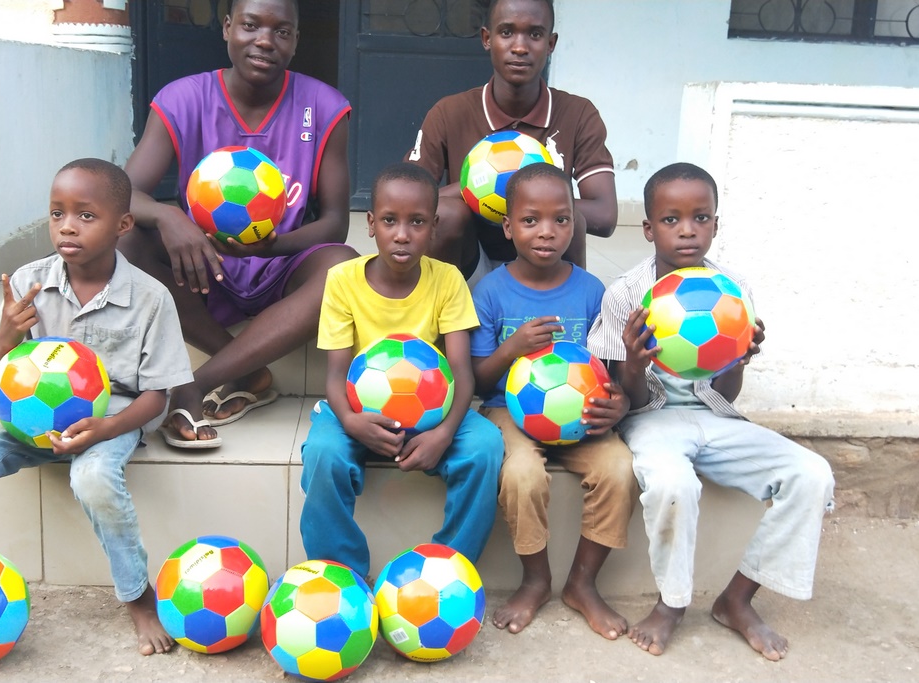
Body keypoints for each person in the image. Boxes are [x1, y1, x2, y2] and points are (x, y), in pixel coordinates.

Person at [0, 159, 194, 675]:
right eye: (57, 213)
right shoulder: (29, 283)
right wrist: (7, 335)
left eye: (85, 215)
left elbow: (156, 397)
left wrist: (107, 428)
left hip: (112, 417)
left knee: (94, 479)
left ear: (122, 225)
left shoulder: (149, 297)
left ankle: (139, 597)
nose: (67, 227)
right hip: (28, 418)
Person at [585, 162, 835, 661]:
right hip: (651, 420)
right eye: (671, 219)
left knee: (812, 475)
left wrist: (739, 359)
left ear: (715, 225)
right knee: (674, 486)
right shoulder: (626, 296)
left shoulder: (732, 292)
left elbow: (727, 395)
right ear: (649, 228)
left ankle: (737, 600)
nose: (687, 230)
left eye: (700, 218)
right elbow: (627, 399)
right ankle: (672, 604)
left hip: (713, 417)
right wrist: (633, 362)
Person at [120, 0, 357, 449]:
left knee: (344, 268)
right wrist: (170, 216)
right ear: (228, 28)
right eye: (250, 25)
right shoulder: (183, 99)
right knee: (126, 239)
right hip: (201, 268)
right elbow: (124, 194)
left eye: (281, 31)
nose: (265, 41)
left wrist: (272, 246)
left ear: (295, 41)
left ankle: (197, 383)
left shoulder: (325, 106)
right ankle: (248, 369)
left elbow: (334, 224)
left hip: (280, 265)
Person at [298, 162, 503, 579]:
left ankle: (448, 571)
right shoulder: (342, 280)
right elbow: (335, 375)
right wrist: (351, 422)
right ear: (371, 223)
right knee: (323, 453)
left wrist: (444, 433)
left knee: (485, 447)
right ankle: (341, 574)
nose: (403, 234)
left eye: (417, 222)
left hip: (433, 412)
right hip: (359, 411)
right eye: (390, 220)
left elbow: (462, 373)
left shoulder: (448, 280)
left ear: (435, 227)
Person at [469, 163, 636, 639]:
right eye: (531, 220)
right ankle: (536, 579)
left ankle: (583, 583)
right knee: (521, 474)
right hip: (508, 411)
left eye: (561, 220)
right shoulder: (490, 292)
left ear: (573, 224)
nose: (547, 231)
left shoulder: (591, 291)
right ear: (508, 227)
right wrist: (512, 348)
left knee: (619, 468)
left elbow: (612, 370)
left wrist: (618, 403)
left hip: (582, 417)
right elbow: (478, 380)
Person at [406, 0, 617, 281]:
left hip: (544, 265)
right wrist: (476, 187)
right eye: (506, 32)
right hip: (470, 264)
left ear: (551, 44)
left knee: (572, 220)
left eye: (535, 34)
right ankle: (440, 305)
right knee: (446, 214)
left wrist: (536, 198)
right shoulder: (450, 112)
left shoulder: (578, 113)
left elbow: (605, 215)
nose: (519, 47)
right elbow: (408, 200)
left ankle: (569, 304)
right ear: (486, 38)